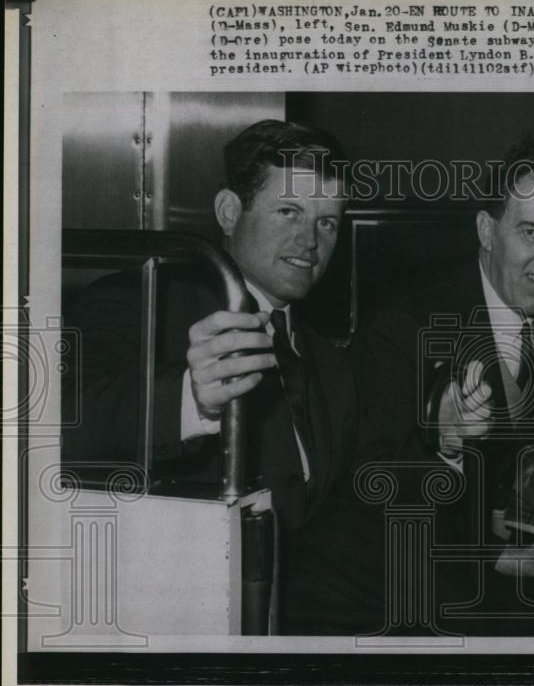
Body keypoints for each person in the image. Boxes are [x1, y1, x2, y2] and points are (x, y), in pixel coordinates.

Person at [63, 119, 365, 631]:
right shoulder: (142, 298)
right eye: (289, 211)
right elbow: (63, 422)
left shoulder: (330, 361)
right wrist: (189, 398)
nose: (310, 241)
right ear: (229, 211)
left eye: (328, 222)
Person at [340, 137, 534, 635]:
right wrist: (447, 447)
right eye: (533, 232)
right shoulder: (403, 326)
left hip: (520, 583)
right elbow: (368, 495)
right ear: (487, 230)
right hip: (407, 598)